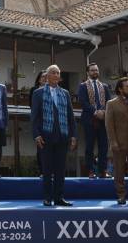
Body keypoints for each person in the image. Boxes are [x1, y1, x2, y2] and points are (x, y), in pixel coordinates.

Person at [31, 65, 77, 207]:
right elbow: (35, 116)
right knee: (47, 169)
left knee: (60, 169)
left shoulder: (65, 93)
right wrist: (36, 134)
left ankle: (59, 197)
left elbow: (71, 116)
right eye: (53, 73)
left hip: (62, 136)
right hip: (46, 137)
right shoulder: (38, 93)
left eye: (58, 73)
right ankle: (47, 198)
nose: (56, 75)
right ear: (47, 76)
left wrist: (73, 135)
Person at [77, 62, 112, 178]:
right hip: (89, 120)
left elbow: (109, 102)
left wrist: (103, 112)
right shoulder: (83, 86)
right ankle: (91, 171)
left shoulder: (104, 86)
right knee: (89, 146)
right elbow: (83, 102)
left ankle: (102, 170)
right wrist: (95, 112)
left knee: (104, 146)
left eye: (96, 70)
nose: (95, 72)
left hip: (103, 120)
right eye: (92, 70)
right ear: (88, 72)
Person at [30, 71, 47, 176]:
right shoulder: (34, 90)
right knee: (41, 148)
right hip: (39, 122)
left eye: (46, 77)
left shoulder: (52, 89)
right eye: (43, 77)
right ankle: (42, 171)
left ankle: (50, 171)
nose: (44, 78)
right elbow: (32, 106)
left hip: (50, 122)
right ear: (39, 79)